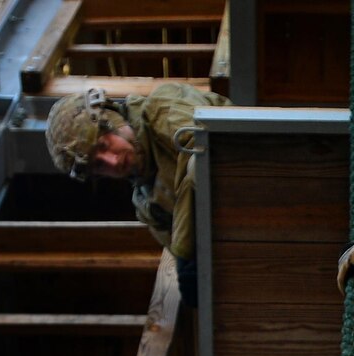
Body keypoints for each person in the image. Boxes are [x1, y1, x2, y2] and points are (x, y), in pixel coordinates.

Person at [44, 83, 230, 296]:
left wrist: (184, 250)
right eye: (99, 165)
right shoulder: (148, 205)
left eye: (104, 145)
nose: (112, 162)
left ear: (113, 118)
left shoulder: (161, 106)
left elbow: (208, 155)